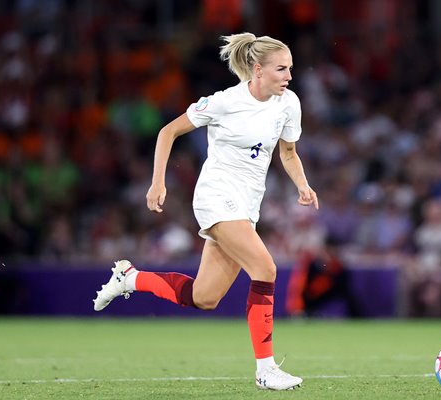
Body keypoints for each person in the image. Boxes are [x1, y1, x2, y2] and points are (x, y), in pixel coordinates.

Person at [93, 32, 319, 391]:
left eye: (290, 68)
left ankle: (130, 278)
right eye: (281, 69)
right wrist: (158, 183)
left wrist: (302, 185)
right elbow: (168, 132)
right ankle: (266, 369)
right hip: (216, 196)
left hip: (246, 205)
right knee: (265, 268)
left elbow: (288, 152)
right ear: (257, 70)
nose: (289, 75)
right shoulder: (225, 102)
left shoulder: (288, 103)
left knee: (204, 297)